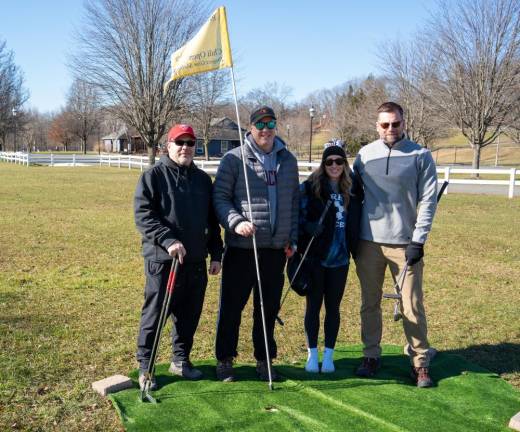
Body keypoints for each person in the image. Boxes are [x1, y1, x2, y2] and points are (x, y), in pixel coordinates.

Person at [352, 102, 438, 387]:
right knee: (369, 304)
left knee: (411, 305)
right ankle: (371, 356)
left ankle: (420, 362)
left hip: (405, 245)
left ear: (403, 123)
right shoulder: (364, 155)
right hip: (368, 244)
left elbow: (428, 201)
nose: (390, 129)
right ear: (377, 126)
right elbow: (351, 195)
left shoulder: (420, 156)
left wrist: (418, 239)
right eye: (385, 124)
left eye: (395, 124)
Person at [213, 106, 299, 382]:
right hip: (242, 248)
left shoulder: (288, 161)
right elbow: (220, 199)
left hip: (275, 250)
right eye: (259, 124)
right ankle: (225, 359)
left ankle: (264, 360)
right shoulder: (234, 159)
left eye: (270, 123)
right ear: (250, 128)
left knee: (268, 308)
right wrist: (236, 221)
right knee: (231, 308)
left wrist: (292, 238)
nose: (265, 129)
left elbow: (294, 203)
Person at [134, 124, 223, 390]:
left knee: (189, 314)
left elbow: (212, 220)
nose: (185, 147)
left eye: (190, 143)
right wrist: (168, 240)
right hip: (164, 261)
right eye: (179, 142)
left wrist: (217, 253)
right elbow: (144, 215)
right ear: (168, 145)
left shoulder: (202, 179)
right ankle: (146, 367)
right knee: (156, 314)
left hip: (195, 260)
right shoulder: (153, 176)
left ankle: (180, 360)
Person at [298, 140, 362, 373]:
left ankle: (329, 356)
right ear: (323, 164)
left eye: (339, 161)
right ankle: (312, 355)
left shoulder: (352, 189)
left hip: (341, 260)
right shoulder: (309, 187)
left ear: (345, 164)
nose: (334, 165)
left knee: (333, 308)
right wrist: (307, 227)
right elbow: (297, 217)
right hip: (316, 258)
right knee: (313, 306)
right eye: (329, 161)